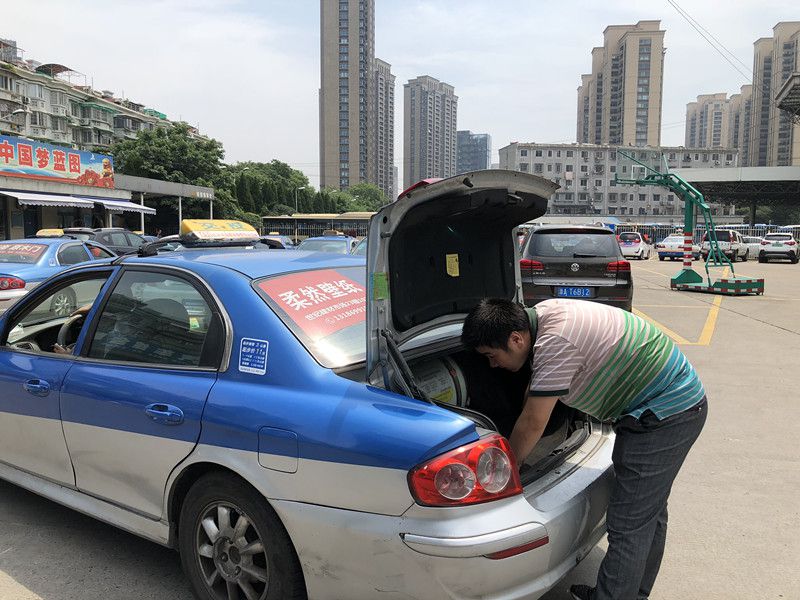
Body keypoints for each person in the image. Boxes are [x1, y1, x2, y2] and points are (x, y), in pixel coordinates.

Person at [461, 298, 707, 600]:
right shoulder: (543, 316)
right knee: (648, 512)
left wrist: (507, 469)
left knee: (629, 522)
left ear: (516, 339)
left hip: (665, 413)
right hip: (664, 403)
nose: (492, 365)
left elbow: (533, 422)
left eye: (492, 355)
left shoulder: (556, 342)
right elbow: (535, 389)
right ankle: (627, 593)